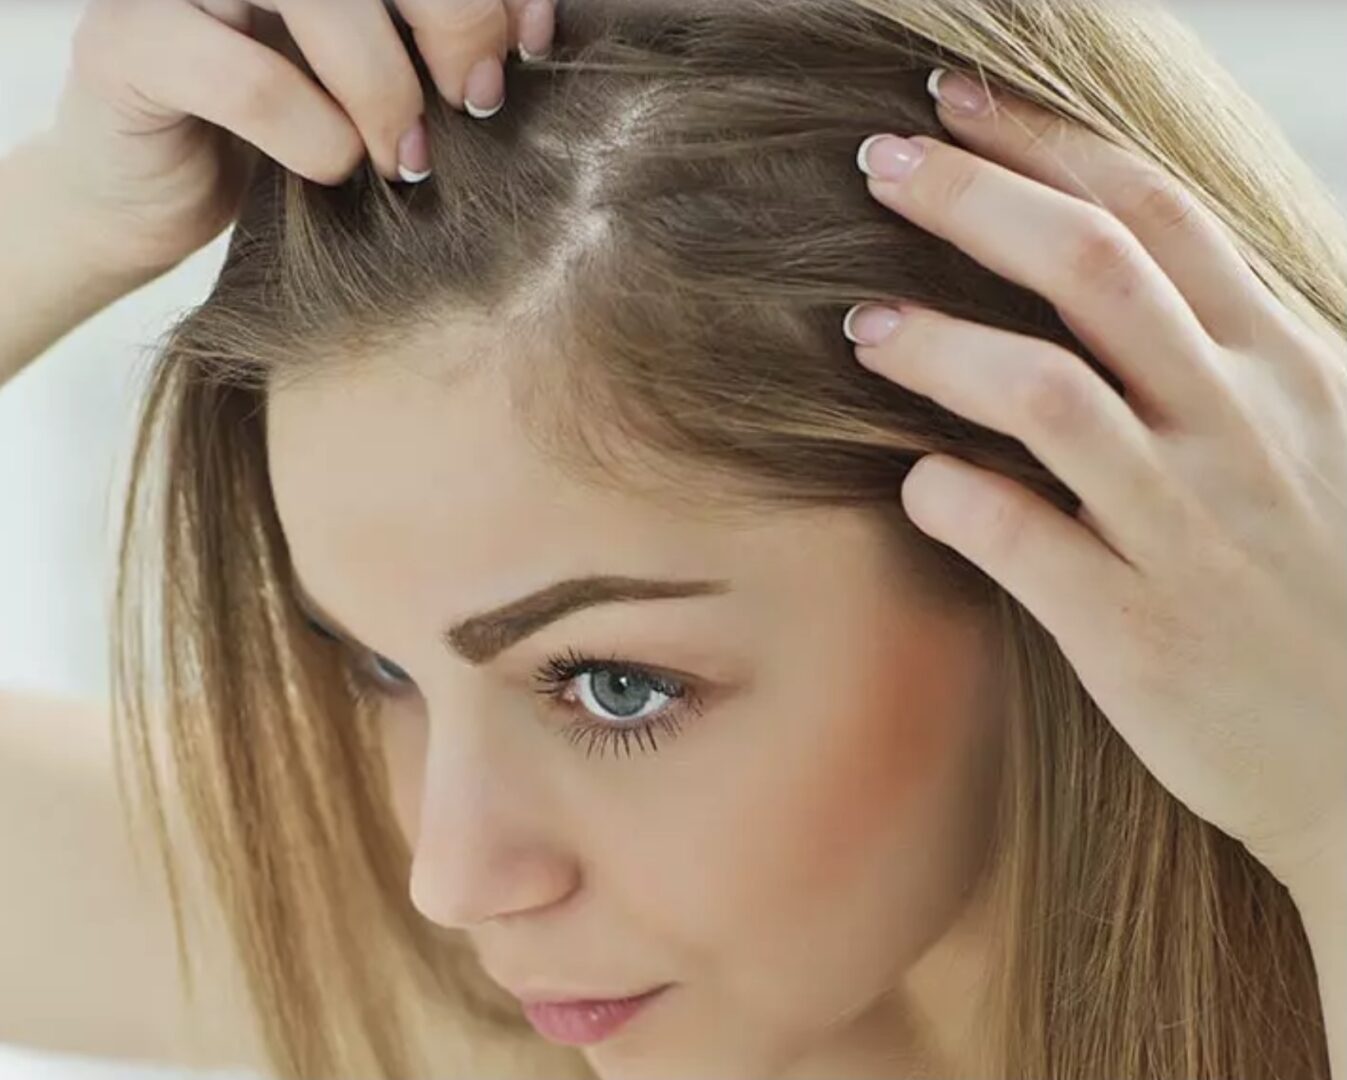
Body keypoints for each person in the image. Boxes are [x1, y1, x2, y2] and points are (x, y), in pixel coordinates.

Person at [1, 1, 1343, 1078]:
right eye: (380, 671)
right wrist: (64, 214)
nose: (452, 881)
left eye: (614, 686)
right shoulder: (450, 1005)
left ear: (1082, 564)